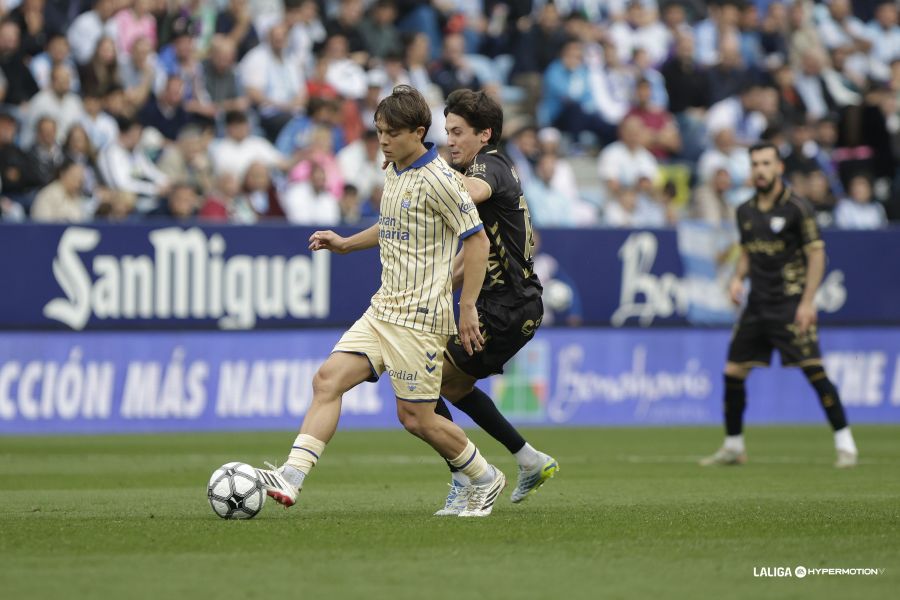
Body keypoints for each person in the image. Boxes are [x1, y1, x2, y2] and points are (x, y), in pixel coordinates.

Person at [254, 85, 506, 517]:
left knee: (416, 419)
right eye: (379, 132)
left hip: (419, 319)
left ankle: (485, 477)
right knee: (327, 380)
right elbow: (391, 223)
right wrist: (346, 243)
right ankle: (291, 477)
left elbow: (478, 241)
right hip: (383, 309)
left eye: (391, 133)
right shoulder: (394, 170)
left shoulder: (442, 181)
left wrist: (467, 308)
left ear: (418, 133)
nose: (383, 141)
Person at [432, 88, 559, 515]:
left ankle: (469, 478)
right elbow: (474, 256)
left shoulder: (489, 165)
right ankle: (529, 459)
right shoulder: (491, 166)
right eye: (447, 131)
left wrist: (421, 172)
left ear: (484, 134)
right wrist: (434, 289)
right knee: (452, 386)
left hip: (506, 308)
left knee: (421, 380)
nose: (450, 140)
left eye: (458, 132)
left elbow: (469, 191)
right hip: (511, 306)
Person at [701, 142, 858, 469]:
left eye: (766, 163)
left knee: (813, 369)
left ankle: (846, 444)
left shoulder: (797, 208)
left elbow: (816, 254)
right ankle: (733, 446)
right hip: (757, 305)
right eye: (755, 164)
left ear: (779, 168)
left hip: (790, 303)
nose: (760, 170)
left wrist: (807, 302)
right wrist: (737, 279)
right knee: (733, 371)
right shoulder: (745, 211)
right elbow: (747, 252)